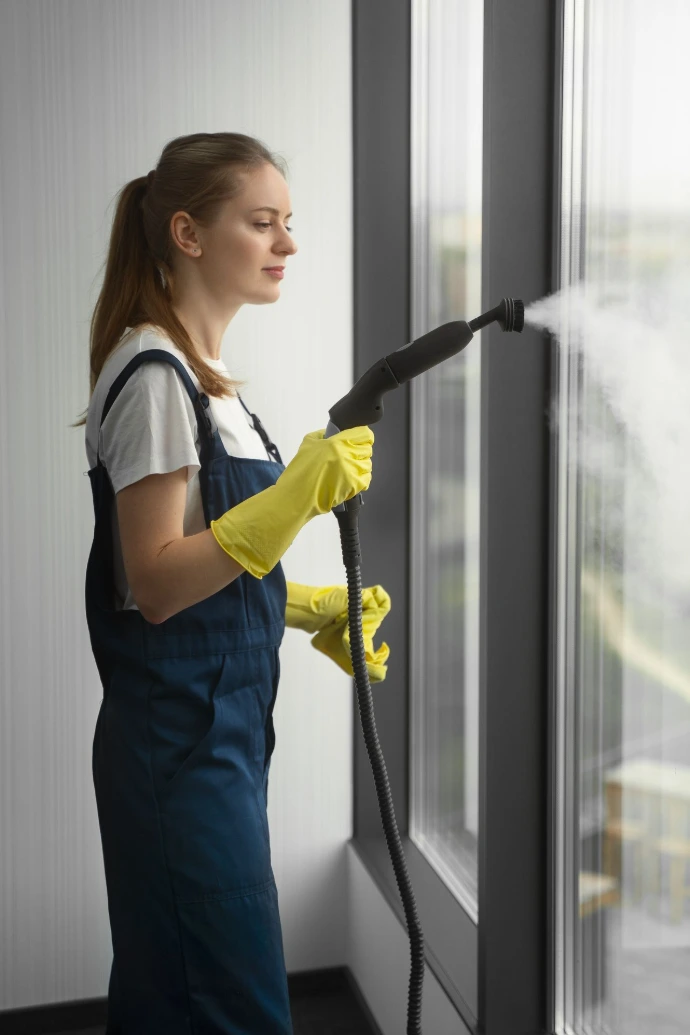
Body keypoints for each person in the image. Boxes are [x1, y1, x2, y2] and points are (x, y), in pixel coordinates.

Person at [72, 132, 391, 1033]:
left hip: (223, 743)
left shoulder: (212, 388)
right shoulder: (153, 377)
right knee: (226, 1004)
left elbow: (203, 566)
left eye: (289, 223)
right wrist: (295, 496)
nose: (288, 243)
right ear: (188, 232)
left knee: (178, 996)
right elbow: (157, 581)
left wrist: (299, 606)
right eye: (263, 223)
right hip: (175, 752)